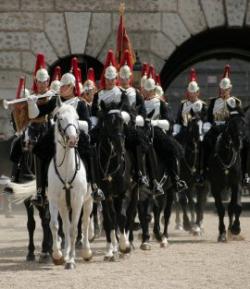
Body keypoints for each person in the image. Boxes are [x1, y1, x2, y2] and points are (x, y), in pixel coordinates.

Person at [28, 57, 104, 204]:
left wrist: (71, 124)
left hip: (75, 136)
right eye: (61, 86)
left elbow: (87, 124)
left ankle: (95, 187)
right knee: (38, 150)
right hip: (56, 135)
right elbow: (36, 114)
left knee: (91, 151)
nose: (61, 88)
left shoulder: (80, 103)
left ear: (71, 86)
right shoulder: (55, 101)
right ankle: (40, 191)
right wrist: (32, 104)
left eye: (64, 86)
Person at [142, 66, 187, 194]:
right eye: (146, 90)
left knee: (170, 151)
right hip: (141, 132)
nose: (147, 92)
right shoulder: (139, 102)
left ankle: (175, 179)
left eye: (149, 90)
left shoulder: (161, 104)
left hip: (156, 132)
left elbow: (169, 123)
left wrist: (154, 122)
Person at [203, 64, 243, 177]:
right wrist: (209, 125)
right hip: (216, 128)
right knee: (205, 141)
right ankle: (204, 169)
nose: (223, 91)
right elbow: (209, 117)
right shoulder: (214, 101)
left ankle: (244, 173)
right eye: (221, 89)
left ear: (230, 89)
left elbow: (241, 117)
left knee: (241, 144)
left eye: (225, 89)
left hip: (230, 130)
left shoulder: (235, 102)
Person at [174, 68, 208, 183]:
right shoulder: (183, 104)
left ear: (198, 92)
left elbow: (206, 120)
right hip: (184, 132)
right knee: (175, 147)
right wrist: (175, 133)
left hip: (198, 133)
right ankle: (175, 173)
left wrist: (203, 132)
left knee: (204, 149)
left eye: (194, 92)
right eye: (190, 92)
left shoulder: (202, 105)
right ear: (188, 92)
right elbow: (178, 120)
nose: (192, 94)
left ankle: (202, 171)